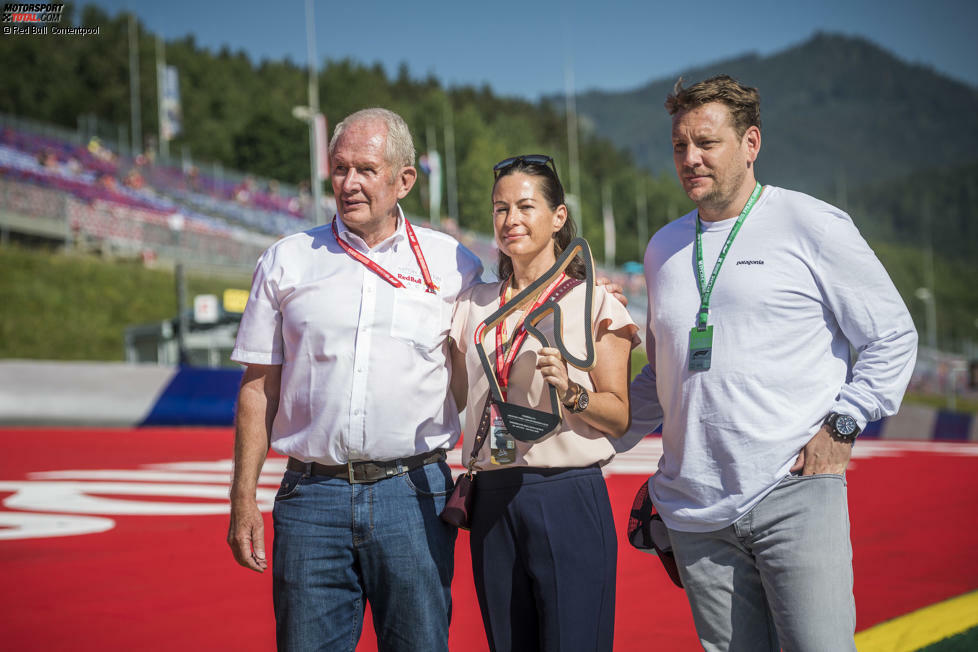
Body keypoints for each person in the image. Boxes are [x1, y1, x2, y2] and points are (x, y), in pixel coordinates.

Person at [628, 75, 918, 651]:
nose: (690, 159)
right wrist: (587, 438)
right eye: (680, 146)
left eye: (706, 143)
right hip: (696, 513)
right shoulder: (663, 248)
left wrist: (844, 423)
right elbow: (661, 373)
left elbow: (893, 335)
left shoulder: (811, 223)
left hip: (794, 492)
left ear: (751, 142)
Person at [226, 107, 483, 651]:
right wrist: (242, 498)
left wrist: (581, 287)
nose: (349, 183)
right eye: (340, 169)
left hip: (414, 495)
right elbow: (258, 389)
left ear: (403, 180)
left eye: (366, 169)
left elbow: (494, 354)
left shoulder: (454, 265)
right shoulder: (287, 260)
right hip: (311, 497)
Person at [449, 155, 639, 652]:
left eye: (526, 206)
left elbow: (619, 416)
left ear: (558, 218)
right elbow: (452, 393)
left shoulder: (595, 301)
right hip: (492, 493)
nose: (511, 220)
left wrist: (574, 393)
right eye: (500, 208)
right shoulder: (471, 304)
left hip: (566, 494)